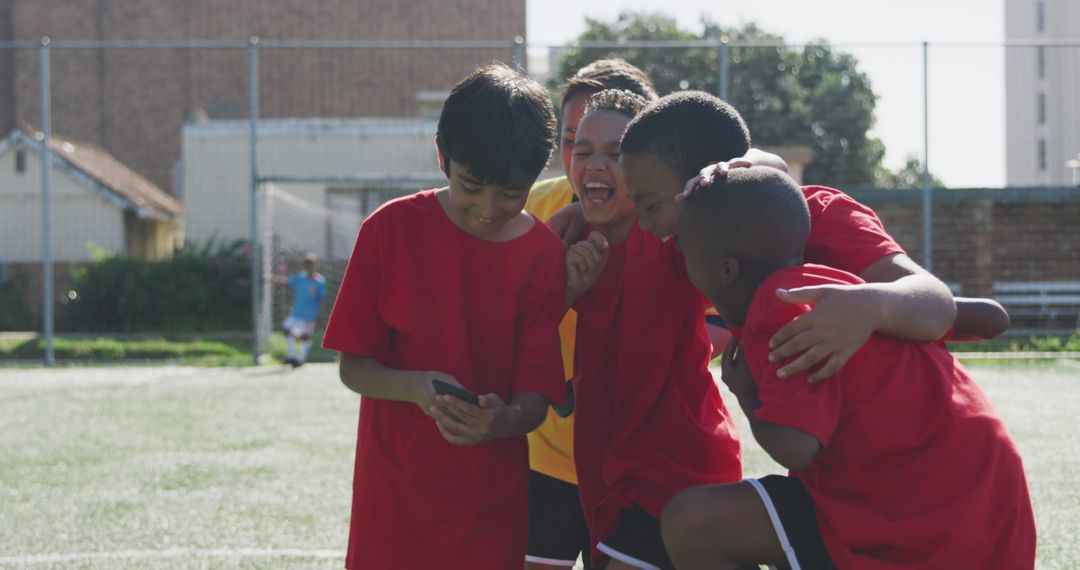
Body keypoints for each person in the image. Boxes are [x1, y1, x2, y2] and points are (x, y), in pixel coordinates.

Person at [663, 166, 1036, 569]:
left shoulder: (777, 305)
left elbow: (797, 447)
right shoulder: (829, 279)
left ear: (726, 269)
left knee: (692, 522)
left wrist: (746, 393)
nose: (676, 252)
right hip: (988, 506)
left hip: (928, 524)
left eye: (683, 245)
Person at [321, 63, 567, 569]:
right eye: (471, 185)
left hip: (489, 510)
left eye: (511, 193)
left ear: (536, 177)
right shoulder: (387, 231)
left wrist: (502, 422)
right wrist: (415, 387)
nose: (486, 207)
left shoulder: (543, 255)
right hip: (392, 501)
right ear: (441, 155)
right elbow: (353, 368)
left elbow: (535, 400)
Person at [523, 59, 658, 570]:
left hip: (639, 461)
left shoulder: (675, 220)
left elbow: (711, 326)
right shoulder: (536, 211)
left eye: (614, 149)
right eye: (575, 141)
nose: (589, 160)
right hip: (546, 462)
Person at [265, 252, 326, 367]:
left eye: (312, 264)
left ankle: (300, 359)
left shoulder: (320, 281)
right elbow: (286, 281)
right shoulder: (300, 277)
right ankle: (291, 355)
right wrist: (271, 278)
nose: (310, 267)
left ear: (317, 265)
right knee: (286, 329)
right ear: (305, 266)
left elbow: (322, 300)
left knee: (305, 337)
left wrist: (320, 315)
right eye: (307, 264)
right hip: (296, 312)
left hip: (310, 315)